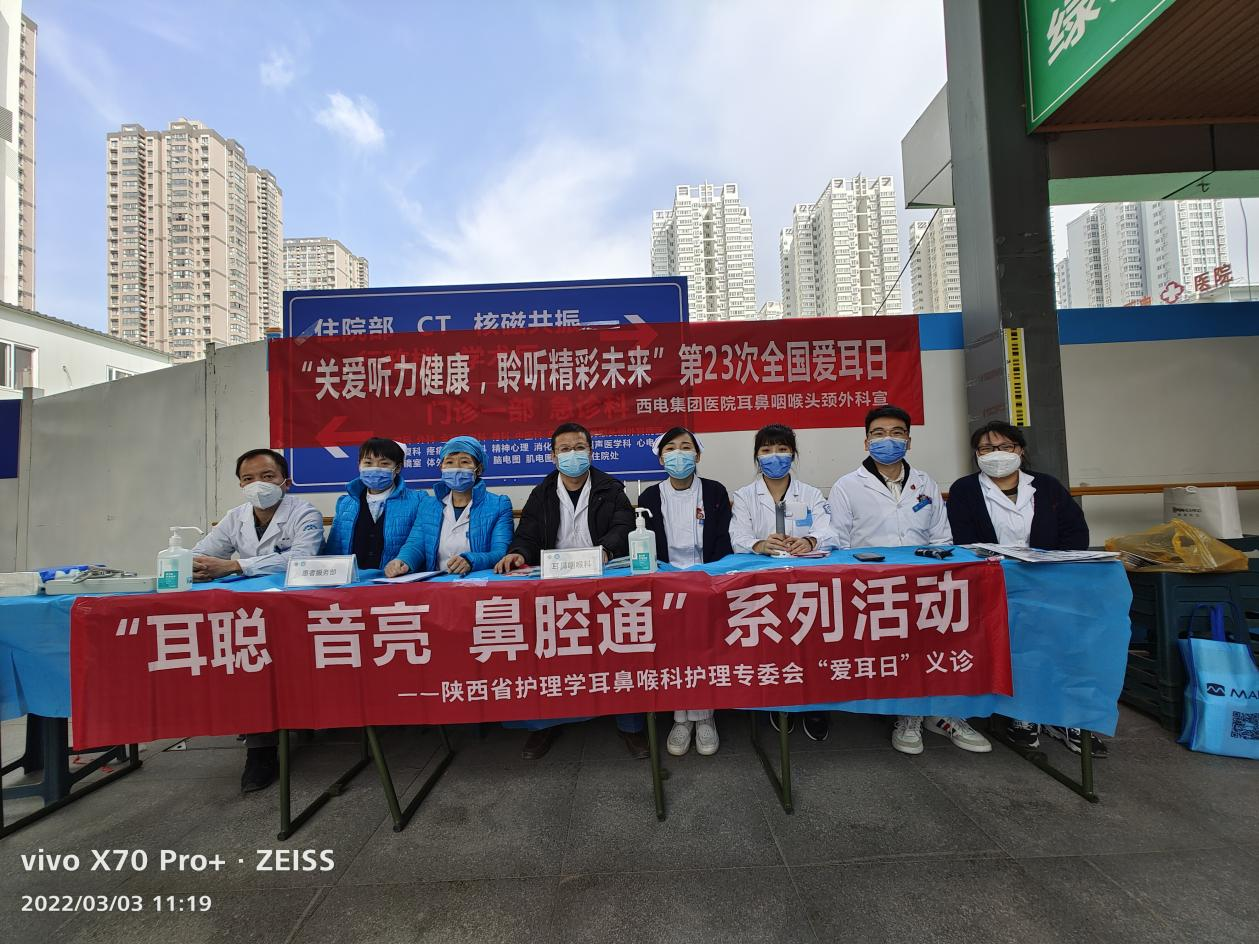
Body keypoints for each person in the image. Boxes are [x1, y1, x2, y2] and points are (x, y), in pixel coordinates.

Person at [829, 405, 992, 757]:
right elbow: (838, 544)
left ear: (909, 440)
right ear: (866, 441)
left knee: (939, 648)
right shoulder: (846, 486)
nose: (887, 439)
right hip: (875, 587)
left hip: (926, 582)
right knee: (899, 653)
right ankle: (909, 716)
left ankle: (944, 714)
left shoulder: (925, 482)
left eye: (897, 432)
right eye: (879, 433)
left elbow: (942, 537)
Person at [946, 420, 1107, 757]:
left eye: (1005, 446)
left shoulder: (1047, 487)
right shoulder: (965, 490)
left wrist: (1052, 568)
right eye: (987, 448)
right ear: (976, 454)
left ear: (1020, 449)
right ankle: (1023, 714)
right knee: (1015, 648)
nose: (996, 454)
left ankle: (1067, 717)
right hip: (995, 584)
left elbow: (1075, 532)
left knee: (1063, 646)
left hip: (1052, 582)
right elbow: (963, 540)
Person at [493, 422, 646, 760]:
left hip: (601, 581)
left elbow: (623, 526)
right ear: (553, 456)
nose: (572, 454)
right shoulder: (542, 493)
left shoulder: (611, 488)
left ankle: (631, 726)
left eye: (579, 447)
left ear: (590, 451)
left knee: (621, 648)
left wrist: (606, 549)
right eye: (564, 449)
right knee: (543, 652)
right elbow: (528, 533)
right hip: (555, 584)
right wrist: (518, 552)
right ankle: (544, 725)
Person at [191, 447, 325, 793]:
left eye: (267, 477)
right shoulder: (236, 517)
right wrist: (197, 566)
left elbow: (304, 558)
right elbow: (202, 553)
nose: (258, 485)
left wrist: (236, 565)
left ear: (285, 482)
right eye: (248, 479)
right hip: (252, 615)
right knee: (247, 661)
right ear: (240, 485)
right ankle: (260, 746)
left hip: (297, 611)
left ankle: (273, 735)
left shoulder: (304, 512)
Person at [730, 423, 838, 742]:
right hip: (763, 586)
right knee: (773, 645)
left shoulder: (811, 494)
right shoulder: (745, 496)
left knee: (811, 643)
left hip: (806, 584)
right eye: (766, 450)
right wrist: (760, 544)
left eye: (781, 449)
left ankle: (815, 706)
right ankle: (781, 705)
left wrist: (811, 540)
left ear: (793, 454)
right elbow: (737, 537)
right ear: (756, 456)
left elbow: (830, 531)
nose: (774, 456)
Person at [638, 427, 733, 756]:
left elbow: (723, 541)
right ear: (661, 458)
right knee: (673, 651)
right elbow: (649, 547)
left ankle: (705, 716)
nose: (678, 454)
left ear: (697, 455)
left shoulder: (715, 491)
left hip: (708, 581)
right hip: (666, 585)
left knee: (704, 649)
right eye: (671, 449)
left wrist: (709, 580)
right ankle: (681, 717)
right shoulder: (650, 497)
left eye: (685, 447)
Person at [394, 435, 514, 576]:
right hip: (437, 583)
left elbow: (500, 552)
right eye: (449, 462)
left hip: (479, 582)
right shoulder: (428, 505)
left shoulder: (499, 505)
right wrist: (403, 561)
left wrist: (471, 560)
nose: (456, 468)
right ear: (441, 467)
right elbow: (415, 545)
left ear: (479, 469)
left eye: (464, 462)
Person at [323, 437, 434, 573]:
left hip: (396, 579)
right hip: (353, 581)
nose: (375, 468)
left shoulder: (418, 500)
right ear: (359, 465)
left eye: (384, 463)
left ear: (398, 468)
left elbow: (419, 543)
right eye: (368, 463)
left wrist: (404, 564)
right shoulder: (345, 503)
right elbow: (334, 549)